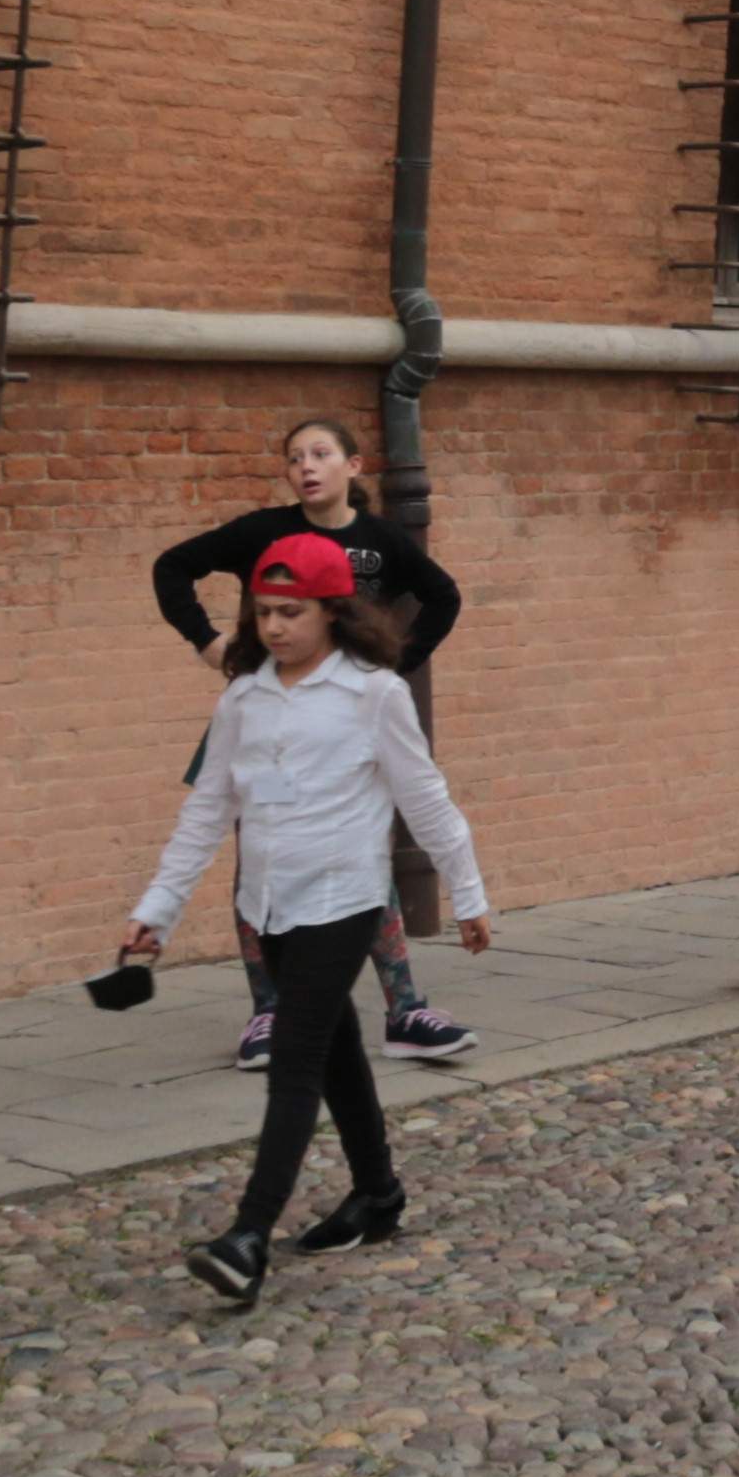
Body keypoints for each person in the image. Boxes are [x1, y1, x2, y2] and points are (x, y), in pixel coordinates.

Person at [121, 531, 494, 1305]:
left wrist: (467, 892)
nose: (274, 627)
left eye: (290, 612)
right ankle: (379, 1194)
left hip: (343, 900)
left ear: (332, 611)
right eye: (262, 612)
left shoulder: (374, 694)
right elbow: (208, 810)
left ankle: (247, 1238)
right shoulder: (244, 697)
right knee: (336, 1055)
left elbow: (425, 796)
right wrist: (157, 909)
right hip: (269, 905)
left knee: (294, 1060)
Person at [151, 418, 477, 1068]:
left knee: (363, 853)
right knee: (259, 856)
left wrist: (394, 665)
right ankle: (269, 1013)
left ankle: (406, 1011)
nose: (306, 465)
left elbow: (443, 597)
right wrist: (210, 644)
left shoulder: (381, 541)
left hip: (348, 724)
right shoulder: (263, 533)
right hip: (269, 720)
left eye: (320, 453)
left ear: (352, 466)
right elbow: (172, 567)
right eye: (295, 456)